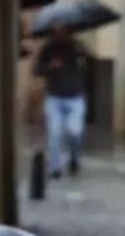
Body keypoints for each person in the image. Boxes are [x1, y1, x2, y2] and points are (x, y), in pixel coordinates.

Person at [35, 25, 90, 180]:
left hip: (76, 98)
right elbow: (37, 70)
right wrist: (49, 66)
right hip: (54, 98)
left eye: (63, 30)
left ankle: (74, 157)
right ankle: (55, 168)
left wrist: (83, 52)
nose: (60, 34)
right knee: (54, 134)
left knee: (75, 132)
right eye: (56, 31)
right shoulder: (48, 48)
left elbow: (90, 62)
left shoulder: (77, 47)